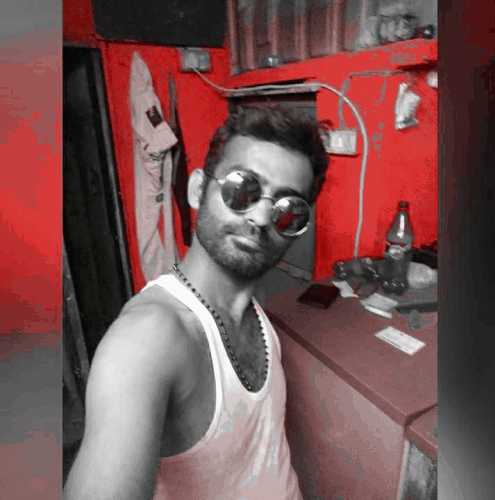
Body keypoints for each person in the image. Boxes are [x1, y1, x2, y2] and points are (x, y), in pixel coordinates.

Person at [64, 105, 329, 500]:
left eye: (288, 209)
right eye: (242, 189)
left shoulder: (257, 316)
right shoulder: (149, 338)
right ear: (197, 189)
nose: (260, 218)